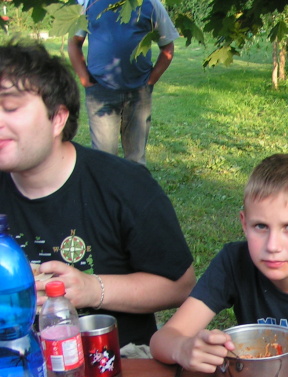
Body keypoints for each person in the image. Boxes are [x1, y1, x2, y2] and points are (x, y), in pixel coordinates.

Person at [0, 40, 195, 352]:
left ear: (57, 118)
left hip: (115, 364)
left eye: (10, 108)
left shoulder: (125, 186)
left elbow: (180, 285)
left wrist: (92, 288)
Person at [150, 153, 288, 371]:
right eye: (260, 226)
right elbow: (163, 339)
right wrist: (183, 348)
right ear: (244, 224)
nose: (272, 246)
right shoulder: (234, 262)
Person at [68, 0, 179, 165]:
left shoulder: (151, 4)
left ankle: (134, 183)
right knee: (104, 158)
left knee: (136, 157)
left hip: (139, 92)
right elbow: (74, 43)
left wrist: (151, 80)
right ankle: (107, 183)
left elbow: (167, 46)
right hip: (100, 91)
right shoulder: (89, 3)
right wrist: (85, 79)